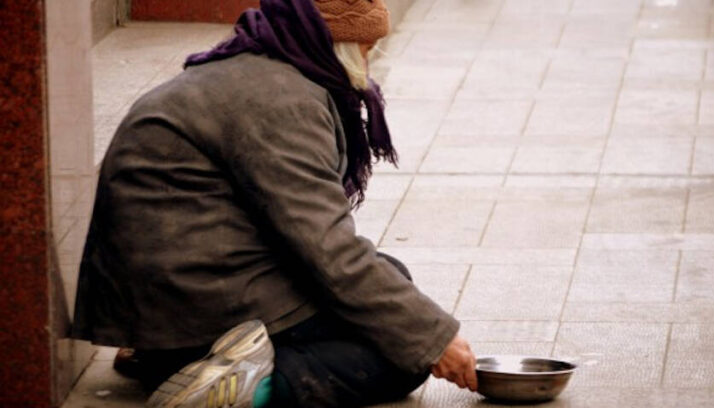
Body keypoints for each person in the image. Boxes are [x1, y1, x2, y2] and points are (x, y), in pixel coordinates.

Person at [71, 0, 478, 407]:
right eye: (365, 48)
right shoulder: (283, 100)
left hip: (165, 302)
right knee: (402, 356)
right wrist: (434, 339)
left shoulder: (255, 69)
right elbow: (328, 249)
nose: (367, 65)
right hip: (193, 305)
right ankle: (232, 385)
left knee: (393, 283)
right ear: (334, 45)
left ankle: (171, 359)